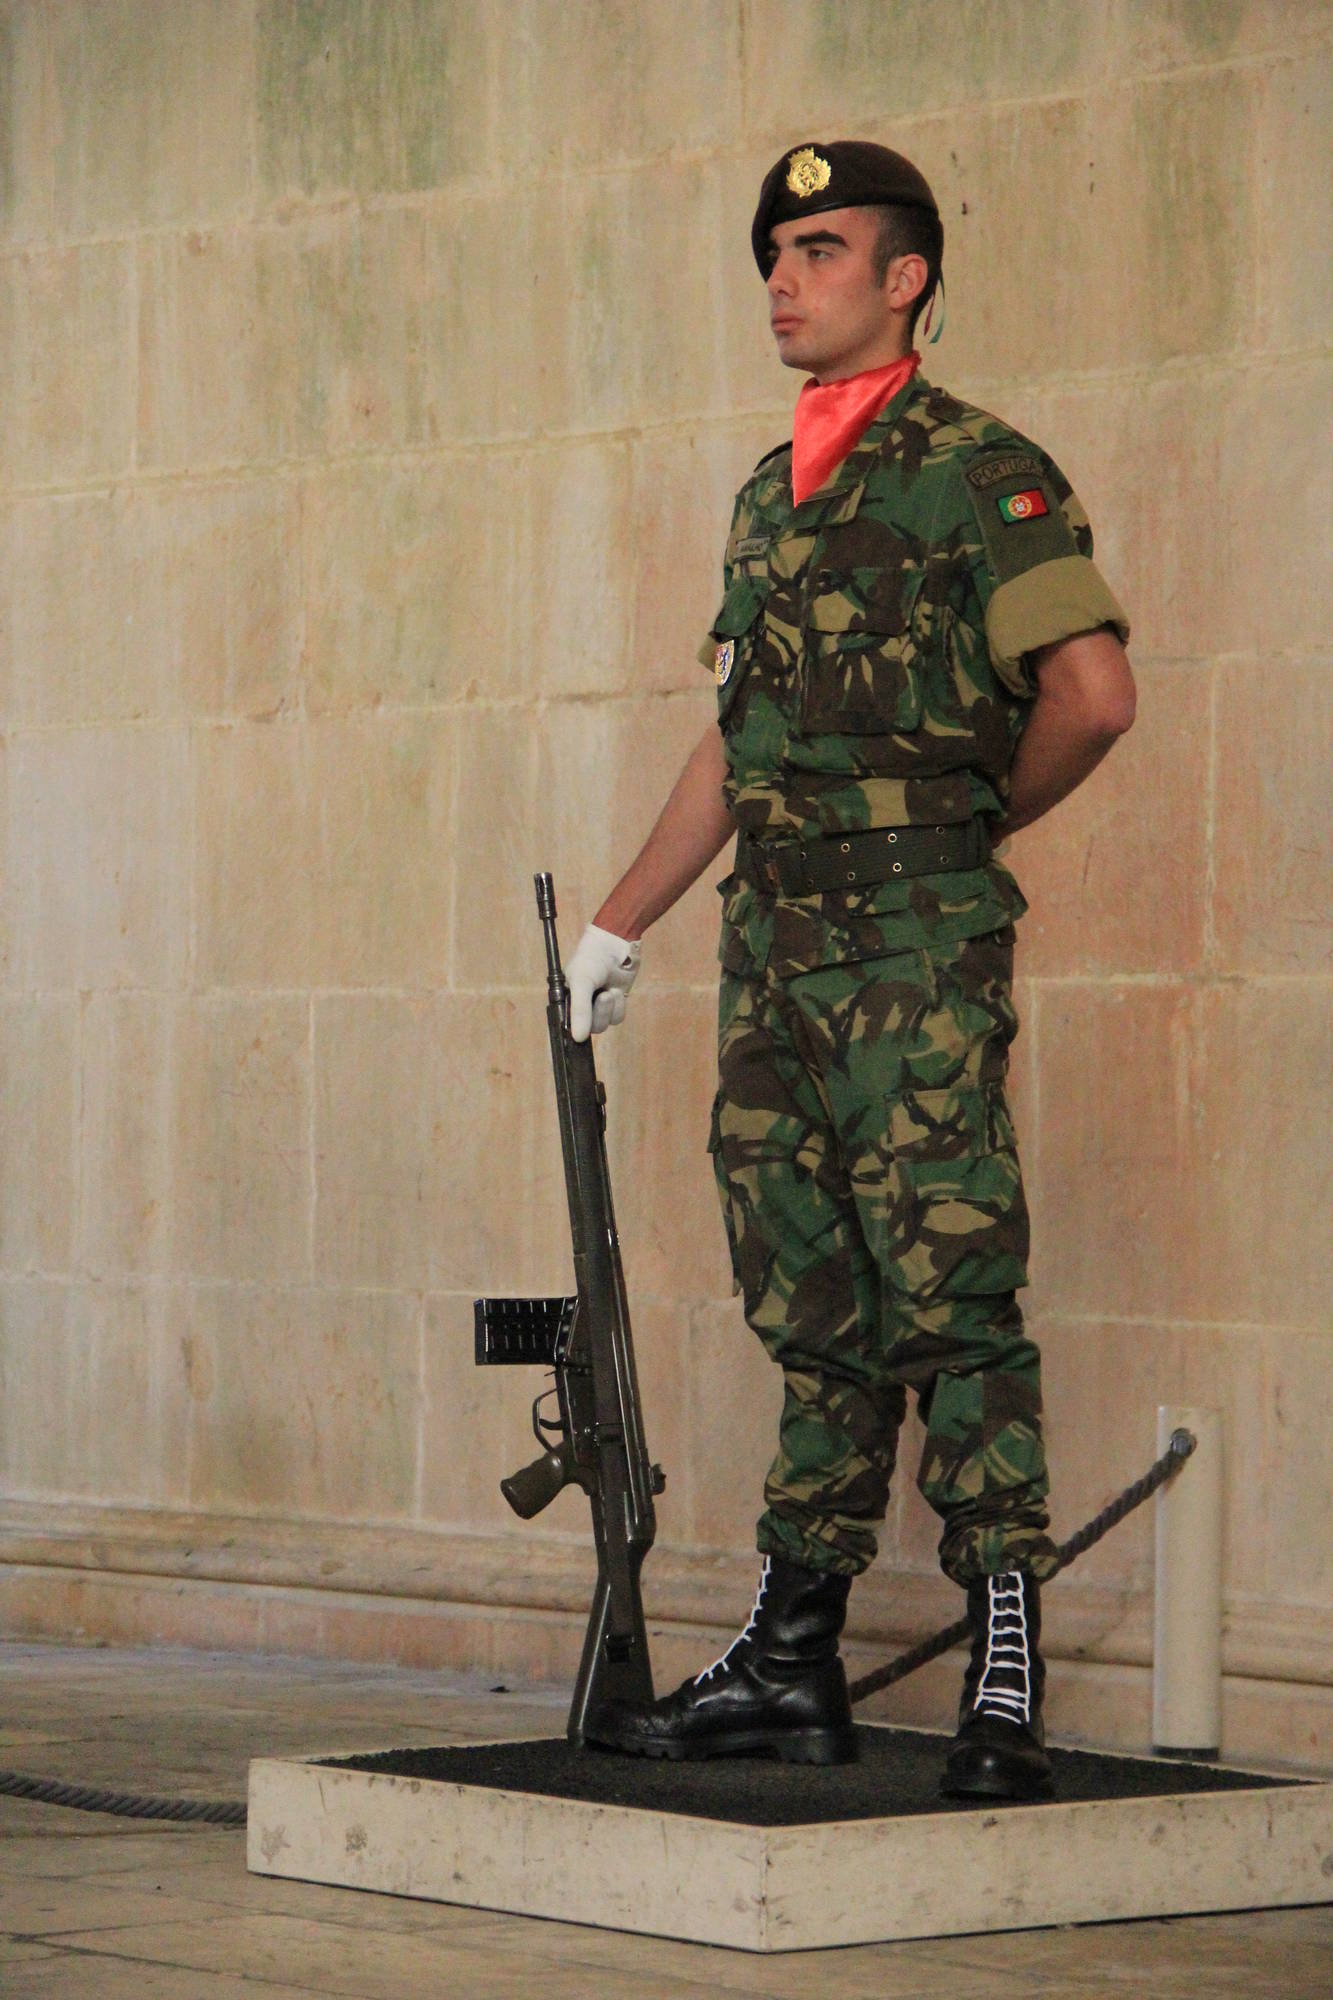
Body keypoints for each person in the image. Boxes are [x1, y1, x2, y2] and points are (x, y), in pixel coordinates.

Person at [566, 141, 1134, 1801]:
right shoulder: (773, 495)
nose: (781, 279)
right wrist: (617, 923)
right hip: (774, 954)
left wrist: (957, 831)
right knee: (810, 1304)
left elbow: (1092, 695)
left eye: (818, 248)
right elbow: (737, 743)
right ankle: (791, 1656)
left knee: (950, 1299)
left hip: (908, 950)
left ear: (905, 279)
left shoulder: (981, 472)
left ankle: (1003, 1658)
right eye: (772, 252)